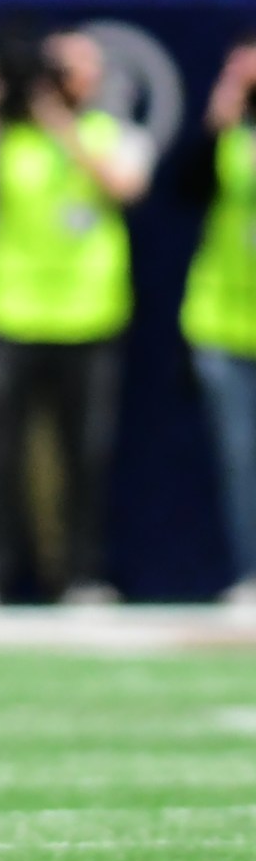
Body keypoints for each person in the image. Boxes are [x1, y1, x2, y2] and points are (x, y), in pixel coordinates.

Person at [0, 30, 151, 603]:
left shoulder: (106, 132)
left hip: (89, 318)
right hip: (13, 318)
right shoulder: (5, 138)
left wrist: (58, 121)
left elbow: (125, 185)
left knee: (85, 457)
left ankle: (79, 574)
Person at [183, 36, 256, 605]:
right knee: (240, 459)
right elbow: (186, 190)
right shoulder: (228, 139)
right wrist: (221, 114)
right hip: (225, 321)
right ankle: (252, 572)